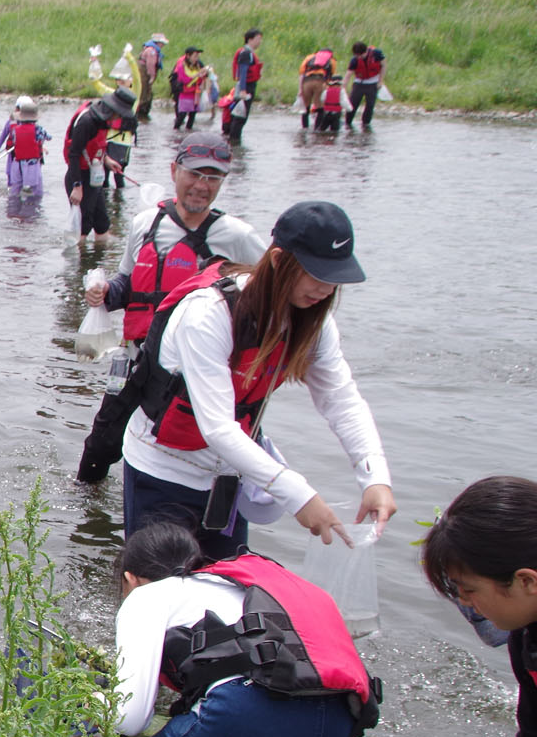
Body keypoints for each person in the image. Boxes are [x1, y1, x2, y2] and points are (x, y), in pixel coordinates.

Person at [121, 200, 394, 557]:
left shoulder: (314, 322)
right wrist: (301, 497)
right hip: (163, 474)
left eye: (335, 279)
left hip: (228, 480)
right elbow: (218, 428)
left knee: (227, 595)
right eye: (317, 275)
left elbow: (341, 400)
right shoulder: (209, 314)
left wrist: (374, 477)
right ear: (279, 260)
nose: (326, 290)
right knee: (159, 596)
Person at [112, 521, 380, 737]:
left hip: (255, 719)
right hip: (338, 732)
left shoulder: (148, 596)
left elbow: (130, 717)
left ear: (130, 579)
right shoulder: (232, 582)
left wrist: (93, 700)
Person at [420, 476, 537, 737]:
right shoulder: (527, 633)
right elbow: (534, 734)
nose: (467, 604)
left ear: (527, 581)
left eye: (470, 591)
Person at [86, 140, 264, 341]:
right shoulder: (144, 223)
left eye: (213, 178)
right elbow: (127, 282)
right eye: (194, 174)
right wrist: (106, 292)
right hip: (140, 357)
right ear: (174, 171)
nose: (201, 186)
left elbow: (276, 291)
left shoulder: (239, 236)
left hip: (198, 361)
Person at [63, 88, 136, 239]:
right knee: (83, 225)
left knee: (102, 223)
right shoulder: (87, 122)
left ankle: (100, 258)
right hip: (80, 177)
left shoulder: (102, 121)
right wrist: (77, 186)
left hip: (94, 176)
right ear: (113, 110)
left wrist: (107, 160)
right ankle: (83, 260)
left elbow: (94, 147)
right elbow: (74, 154)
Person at [0, 96, 48, 194]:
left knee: (17, 181)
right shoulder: (35, 128)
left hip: (18, 157)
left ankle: (16, 195)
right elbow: (2, 137)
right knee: (29, 182)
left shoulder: (19, 128)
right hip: (19, 155)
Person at [227, 29, 263, 143]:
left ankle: (234, 141)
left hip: (247, 87)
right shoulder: (246, 53)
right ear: (250, 39)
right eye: (258, 39)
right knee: (240, 117)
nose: (260, 42)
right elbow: (242, 72)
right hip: (245, 88)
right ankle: (234, 143)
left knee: (240, 117)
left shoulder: (249, 53)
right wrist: (243, 91)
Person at [344, 41, 386, 130]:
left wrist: (380, 81)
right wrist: (343, 88)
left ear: (366, 51)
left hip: (373, 84)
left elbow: (383, 66)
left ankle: (366, 125)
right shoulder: (354, 60)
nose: (359, 57)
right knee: (352, 105)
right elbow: (348, 75)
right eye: (356, 55)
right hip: (359, 84)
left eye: (360, 55)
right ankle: (348, 124)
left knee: (370, 106)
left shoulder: (377, 54)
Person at [297, 47, 337, 130]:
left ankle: (305, 129)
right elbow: (331, 75)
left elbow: (301, 73)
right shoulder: (332, 60)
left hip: (307, 82)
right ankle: (317, 130)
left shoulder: (309, 57)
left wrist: (300, 89)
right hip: (320, 82)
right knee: (320, 109)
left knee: (305, 108)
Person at [171, 48, 209, 131]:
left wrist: (205, 74)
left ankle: (189, 132)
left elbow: (201, 80)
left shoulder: (198, 65)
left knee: (192, 115)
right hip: (185, 95)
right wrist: (197, 75)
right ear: (188, 56)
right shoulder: (181, 66)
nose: (197, 58)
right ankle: (176, 131)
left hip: (195, 94)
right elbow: (184, 80)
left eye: (198, 56)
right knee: (182, 115)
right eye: (195, 56)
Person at [137, 33, 168, 121]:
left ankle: (141, 114)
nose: (163, 45)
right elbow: (150, 65)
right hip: (145, 74)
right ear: (158, 43)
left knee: (144, 91)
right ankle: (142, 114)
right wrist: (152, 76)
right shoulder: (152, 51)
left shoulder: (149, 49)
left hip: (144, 72)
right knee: (144, 93)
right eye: (162, 43)